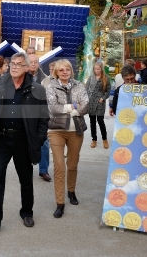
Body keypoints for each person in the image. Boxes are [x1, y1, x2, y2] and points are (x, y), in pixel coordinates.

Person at [0, 52, 49, 232]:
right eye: (13, 64)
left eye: (19, 64)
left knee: (26, 179)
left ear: (27, 68)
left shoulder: (37, 90)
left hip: (23, 140)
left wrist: (38, 139)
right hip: (2, 139)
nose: (15, 67)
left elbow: (43, 119)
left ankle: (27, 212)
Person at [46, 59, 89, 219]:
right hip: (56, 130)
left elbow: (85, 106)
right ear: (56, 72)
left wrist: (73, 109)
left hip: (76, 131)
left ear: (71, 71)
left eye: (67, 69)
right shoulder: (51, 87)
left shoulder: (79, 86)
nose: (65, 72)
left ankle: (71, 191)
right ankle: (60, 203)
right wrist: (73, 106)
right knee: (59, 166)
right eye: (61, 70)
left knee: (72, 164)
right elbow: (53, 108)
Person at [28, 52, 51, 182]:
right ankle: (27, 167)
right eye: (31, 62)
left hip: (40, 115)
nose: (33, 64)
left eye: (36, 62)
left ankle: (44, 171)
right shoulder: (21, 77)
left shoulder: (46, 79)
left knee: (44, 143)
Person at [85, 61, 111, 149]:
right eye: (95, 69)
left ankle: (105, 139)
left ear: (101, 69)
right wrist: (86, 98)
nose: (96, 71)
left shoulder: (106, 78)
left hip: (100, 102)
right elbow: (86, 88)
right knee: (92, 122)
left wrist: (103, 98)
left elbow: (108, 91)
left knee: (100, 121)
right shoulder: (91, 78)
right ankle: (94, 139)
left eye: (98, 69)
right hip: (91, 101)